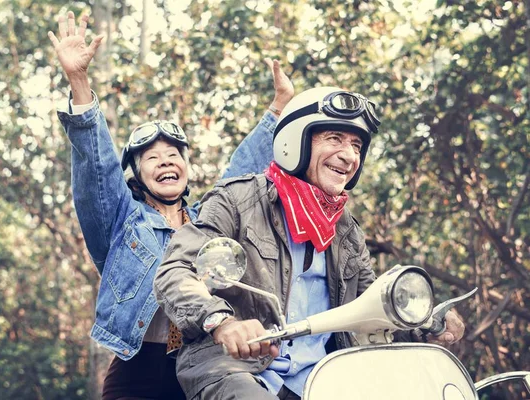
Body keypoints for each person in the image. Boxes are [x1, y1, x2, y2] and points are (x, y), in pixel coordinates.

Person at [154, 86, 466, 399]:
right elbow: (176, 271)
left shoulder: (347, 233)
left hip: (323, 378)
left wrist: (426, 321)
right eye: (335, 139)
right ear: (295, 141)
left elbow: (375, 306)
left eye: (357, 145)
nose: (349, 155)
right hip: (237, 371)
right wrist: (221, 321)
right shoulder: (237, 200)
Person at [48, 10, 294, 400]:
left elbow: (240, 173)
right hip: (138, 364)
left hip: (204, 358)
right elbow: (97, 168)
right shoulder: (122, 220)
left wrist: (278, 109)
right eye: (151, 157)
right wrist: (78, 81)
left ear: (186, 166)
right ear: (138, 173)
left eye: (173, 154)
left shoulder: (206, 221)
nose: (165, 160)